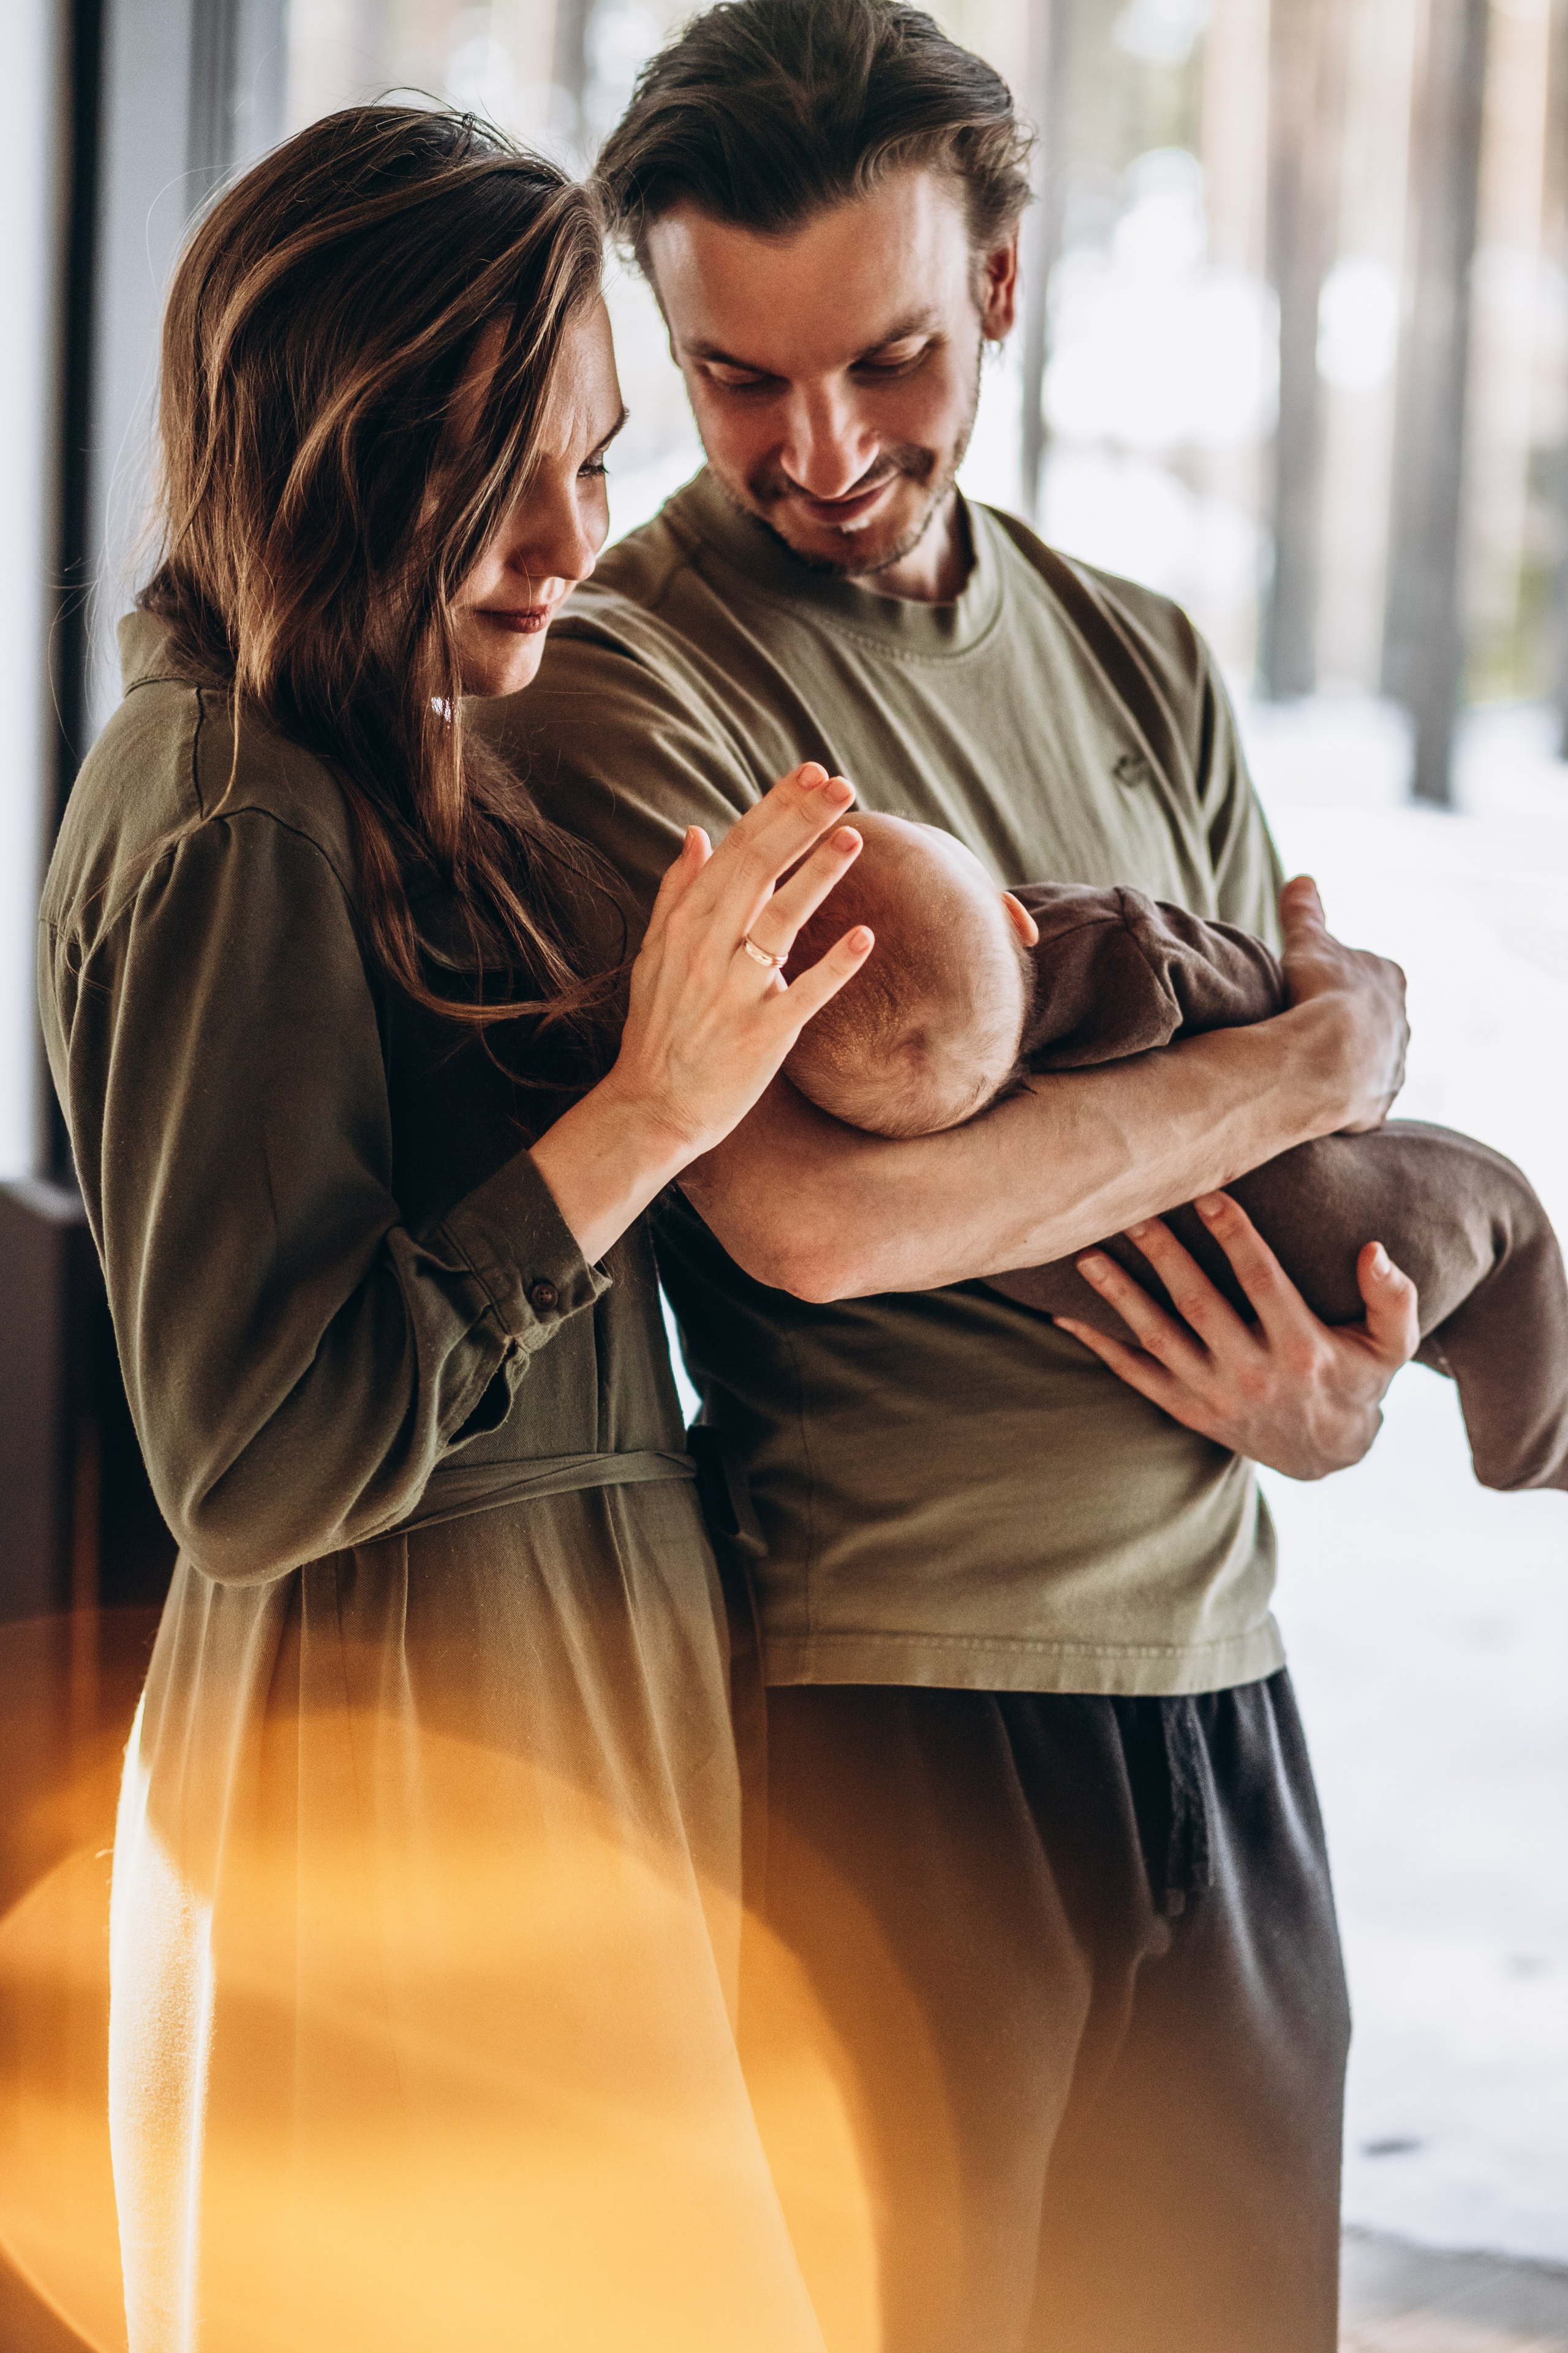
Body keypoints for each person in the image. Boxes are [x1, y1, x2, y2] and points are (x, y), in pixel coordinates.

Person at [474, 4, 1417, 2347]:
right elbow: (809, 1212)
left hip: (1221, 1690)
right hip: (890, 1725)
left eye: (882, 359)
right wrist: (1302, 1068)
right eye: (734, 383)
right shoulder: (633, 684)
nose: (816, 450)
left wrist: (1328, 1397)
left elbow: (1305, 1186)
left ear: (994, 283)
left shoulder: (1145, 661)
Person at [37, 107, 881, 2353]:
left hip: (541, 1725)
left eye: (593, 462)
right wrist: (644, 1112)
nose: (565, 539)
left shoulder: (353, 763)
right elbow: (254, 1460)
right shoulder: (232, 814)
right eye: (492, 464)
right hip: (408, 1768)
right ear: (327, 441)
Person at [781, 812, 1568, 1495]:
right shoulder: (1094, 946)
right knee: (1508, 1224)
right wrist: (1315, 1018)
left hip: (1205, 1297)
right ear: (1011, 916)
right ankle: (1541, 1444)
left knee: (1458, 1299)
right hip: (1345, 1222)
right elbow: (1252, 992)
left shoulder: (928, 1191)